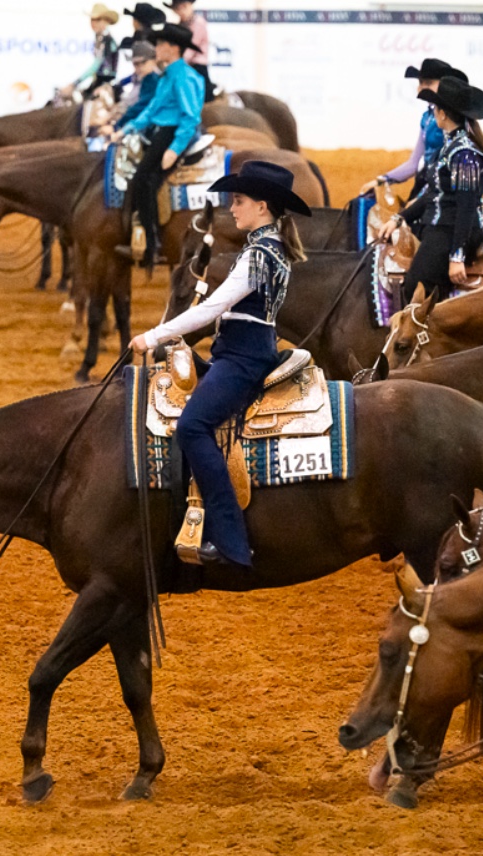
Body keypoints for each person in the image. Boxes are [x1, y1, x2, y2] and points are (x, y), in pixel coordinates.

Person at [129, 161, 309, 567]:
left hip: (243, 359)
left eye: (239, 200)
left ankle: (230, 540)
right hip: (242, 352)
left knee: (193, 426)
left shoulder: (259, 254)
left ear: (262, 207)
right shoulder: (267, 248)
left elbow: (212, 308)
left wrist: (153, 336)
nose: (232, 208)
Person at [376, 76, 483, 307]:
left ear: (442, 114)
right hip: (441, 226)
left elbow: (466, 207)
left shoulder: (464, 154)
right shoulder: (451, 147)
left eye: (436, 108)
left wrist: (456, 256)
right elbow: (434, 194)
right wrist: (400, 219)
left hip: (454, 231)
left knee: (416, 286)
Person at [113, 22, 205, 269]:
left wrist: (174, 148)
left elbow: (190, 117)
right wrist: (126, 129)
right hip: (161, 131)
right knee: (142, 176)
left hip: (173, 133)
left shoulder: (183, 77)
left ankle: (153, 244)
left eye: (161, 44)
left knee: (145, 178)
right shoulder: (169, 76)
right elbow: (151, 110)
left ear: (173, 48)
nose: (157, 48)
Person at [359, 58, 467, 201]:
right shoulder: (427, 118)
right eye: (421, 83)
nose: (421, 87)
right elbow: (414, 163)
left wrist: (422, 198)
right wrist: (382, 180)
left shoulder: (452, 119)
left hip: (443, 188)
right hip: (426, 182)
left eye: (428, 83)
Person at [60, 4, 121, 99]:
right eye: (92, 19)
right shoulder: (101, 38)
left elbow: (97, 64)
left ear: (106, 21)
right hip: (101, 82)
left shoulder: (105, 40)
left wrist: (75, 83)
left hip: (105, 85)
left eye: (98, 20)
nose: (93, 23)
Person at [166, 0, 211, 98]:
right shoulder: (181, 24)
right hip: (185, 66)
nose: (181, 11)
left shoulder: (198, 23)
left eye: (184, 7)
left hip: (197, 67)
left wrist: (175, 63)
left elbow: (190, 49)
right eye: (178, 8)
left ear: (191, 6)